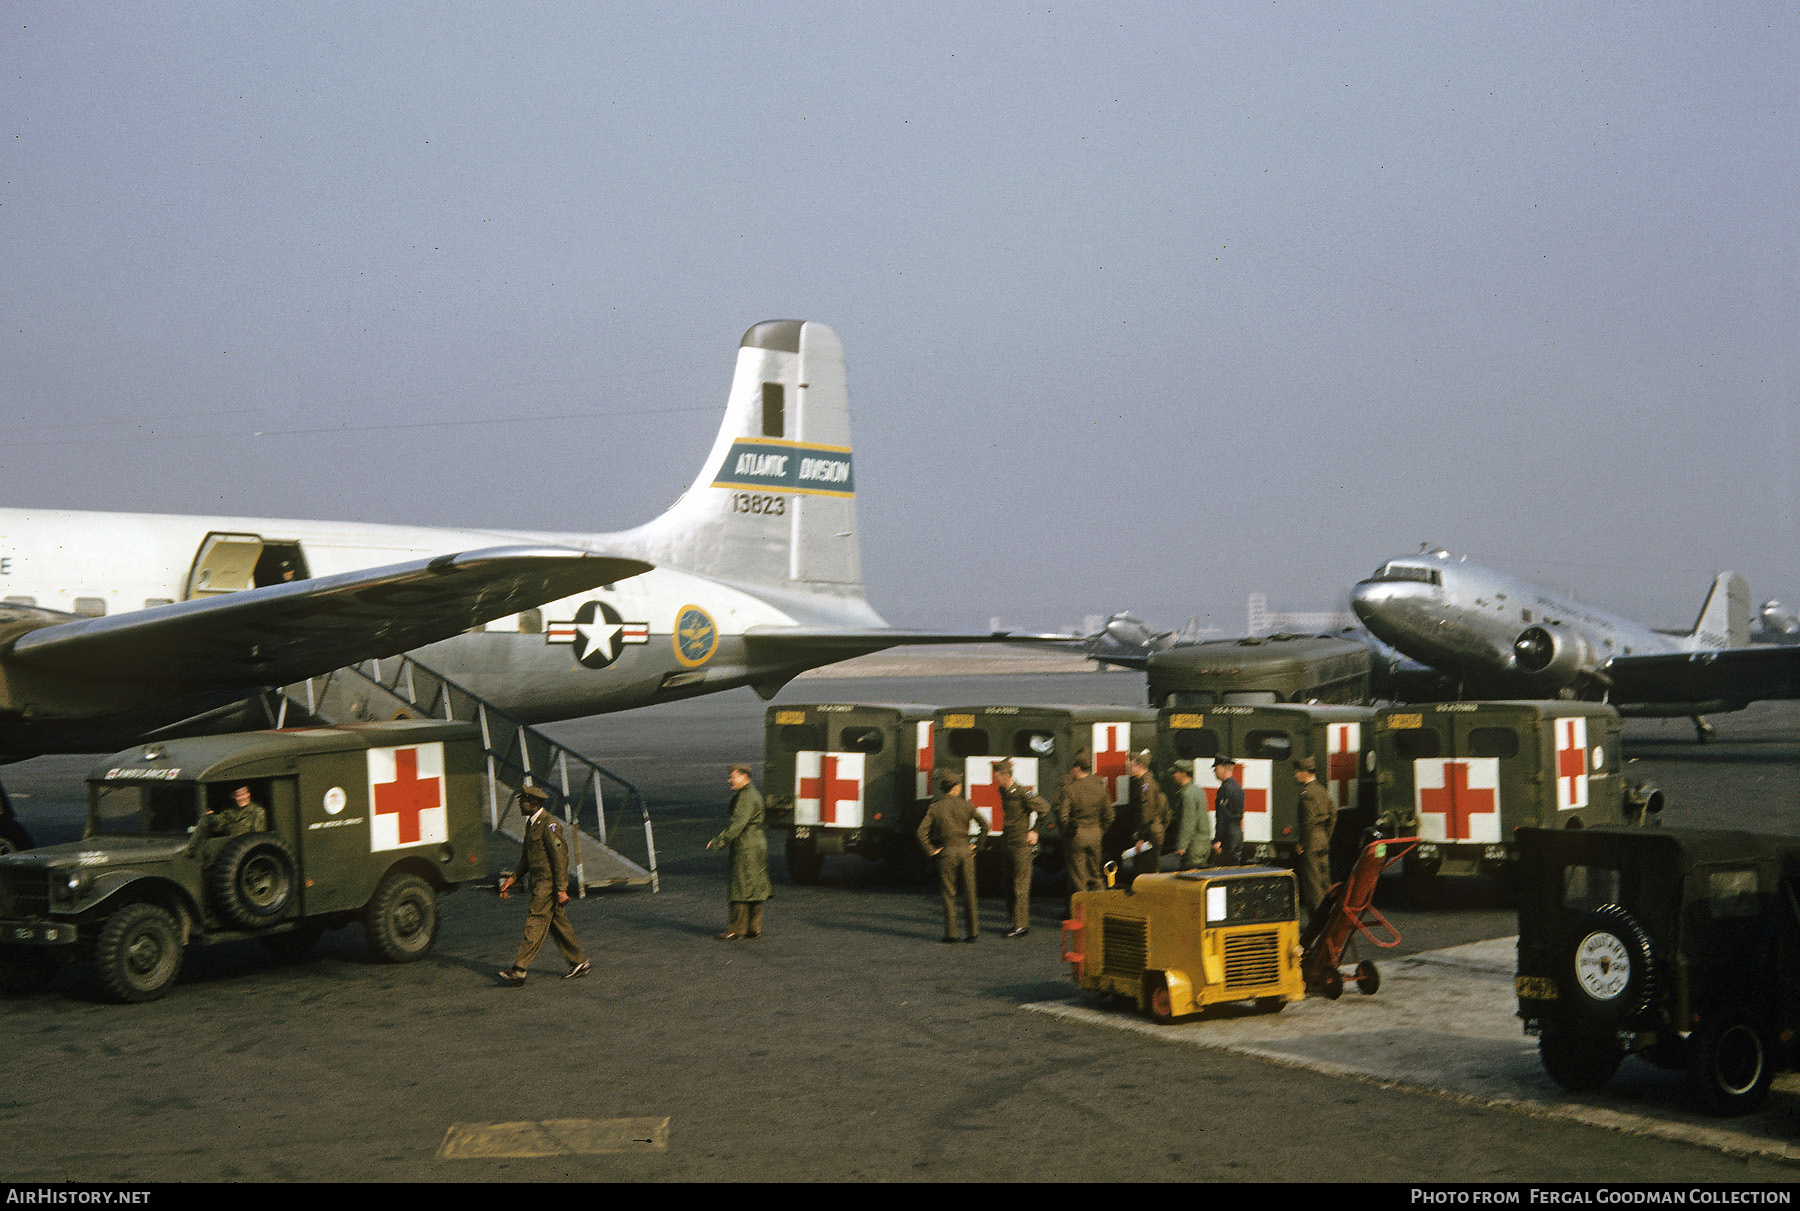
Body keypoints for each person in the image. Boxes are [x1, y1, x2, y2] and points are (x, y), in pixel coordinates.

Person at [496, 786, 590, 985]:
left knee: (535, 922)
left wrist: (562, 889)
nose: (520, 804)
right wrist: (512, 880)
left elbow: (560, 856)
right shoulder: (532, 824)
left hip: (547, 885)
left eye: (523, 801)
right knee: (558, 924)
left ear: (533, 803)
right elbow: (526, 859)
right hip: (539, 883)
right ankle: (580, 961)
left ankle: (519, 969)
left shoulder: (549, 825)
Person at [916, 769, 986, 942]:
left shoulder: (936, 807)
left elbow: (921, 832)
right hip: (965, 851)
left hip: (946, 851)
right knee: (970, 892)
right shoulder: (966, 805)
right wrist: (976, 846)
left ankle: (951, 933)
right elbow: (985, 826)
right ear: (956, 787)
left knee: (949, 893)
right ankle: (973, 932)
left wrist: (931, 850)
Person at [707, 764, 771, 940]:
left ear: (744, 776)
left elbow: (738, 825)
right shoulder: (753, 794)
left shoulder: (745, 797)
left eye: (733, 776)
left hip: (746, 845)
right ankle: (754, 928)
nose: (730, 780)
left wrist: (718, 841)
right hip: (757, 843)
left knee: (740, 885)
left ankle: (736, 929)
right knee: (755, 885)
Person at [991, 759, 1044, 938]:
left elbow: (1044, 808)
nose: (995, 778)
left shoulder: (1023, 793)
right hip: (1008, 842)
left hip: (1021, 844)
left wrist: (1035, 830)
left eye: (997, 775)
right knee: (1008, 882)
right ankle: (1014, 920)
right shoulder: (1003, 791)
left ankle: (1022, 925)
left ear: (1004, 776)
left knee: (1020, 885)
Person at [1054, 754, 1114, 900]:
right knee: (1096, 875)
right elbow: (1110, 815)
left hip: (1077, 836)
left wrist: (1067, 832)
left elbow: (1063, 817)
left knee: (1079, 877)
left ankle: (1082, 913)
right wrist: (1100, 830)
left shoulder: (1070, 790)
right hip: (1095, 835)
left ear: (1077, 768)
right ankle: (1101, 906)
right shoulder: (1100, 788)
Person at [1293, 756, 1337, 914]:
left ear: (1305, 772)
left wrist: (1302, 843)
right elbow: (1332, 814)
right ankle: (1330, 915)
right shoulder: (1321, 790)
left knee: (1313, 884)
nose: (1295, 775)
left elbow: (1308, 821)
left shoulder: (1306, 794)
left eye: (1297, 772)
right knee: (1325, 881)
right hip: (1322, 839)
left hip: (1311, 841)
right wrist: (1326, 835)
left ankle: (1318, 920)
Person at [1127, 751, 1169, 879]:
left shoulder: (1145, 784)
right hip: (1152, 831)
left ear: (1140, 766)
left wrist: (1141, 837)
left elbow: (1146, 812)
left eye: (1131, 765)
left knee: (1147, 871)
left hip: (1149, 833)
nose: (1129, 767)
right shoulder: (1143, 782)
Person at [1171, 760, 1211, 871]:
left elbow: (1188, 821)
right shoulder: (1197, 790)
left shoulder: (1187, 794)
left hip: (1193, 846)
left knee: (1191, 880)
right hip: (1203, 844)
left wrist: (1182, 845)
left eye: (1176, 772)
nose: (1173, 775)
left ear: (1183, 773)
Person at [1211, 756, 1245, 866]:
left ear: (1222, 768)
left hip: (1228, 835)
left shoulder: (1224, 789)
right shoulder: (1238, 788)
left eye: (1216, 768)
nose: (1215, 771)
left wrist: (1218, 840)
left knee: (1225, 869)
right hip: (1237, 833)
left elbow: (1222, 816)